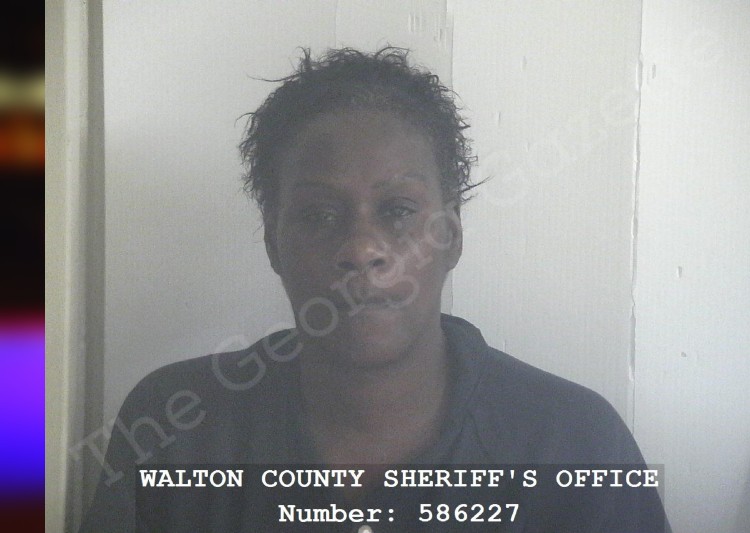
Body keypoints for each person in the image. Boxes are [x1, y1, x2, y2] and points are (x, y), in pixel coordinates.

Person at [79, 47, 669, 533]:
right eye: (318, 215)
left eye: (398, 210)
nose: (362, 249)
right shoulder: (175, 428)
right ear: (273, 245)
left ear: (450, 240)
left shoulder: (575, 443)